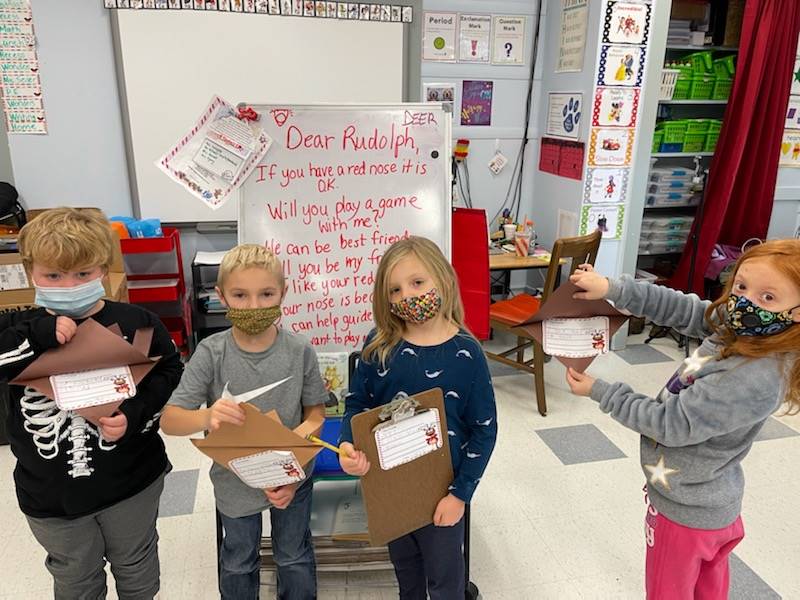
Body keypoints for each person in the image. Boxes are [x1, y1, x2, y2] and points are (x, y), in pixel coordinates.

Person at [565, 239, 800, 599]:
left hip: (685, 514)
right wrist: (612, 289)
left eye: (768, 297)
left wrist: (601, 391)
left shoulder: (753, 376)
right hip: (711, 501)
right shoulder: (745, 329)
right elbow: (685, 310)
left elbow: (668, 425)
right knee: (707, 588)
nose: (745, 301)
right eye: (741, 286)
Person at [0, 207, 183, 599]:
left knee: (137, 566)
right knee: (75, 579)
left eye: (83, 274)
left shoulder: (139, 322)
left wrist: (133, 414)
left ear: (102, 268)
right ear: (31, 271)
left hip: (131, 480)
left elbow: (169, 370)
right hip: (50, 495)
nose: (69, 285)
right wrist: (38, 335)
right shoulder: (14, 331)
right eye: (54, 275)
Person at [160, 244, 328, 600]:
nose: (254, 306)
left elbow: (316, 413)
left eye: (266, 294)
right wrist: (207, 415)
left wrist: (293, 458)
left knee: (294, 555)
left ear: (283, 292)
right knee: (238, 560)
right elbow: (171, 420)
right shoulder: (211, 353)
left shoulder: (300, 351)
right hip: (235, 480)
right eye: (240, 295)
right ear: (220, 296)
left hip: (292, 477)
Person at [338, 236, 497, 599]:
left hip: (443, 492)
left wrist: (460, 495)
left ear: (442, 278)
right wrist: (348, 444)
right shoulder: (378, 347)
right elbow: (357, 405)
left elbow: (484, 431)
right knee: (407, 575)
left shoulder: (467, 353)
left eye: (417, 283)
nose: (406, 296)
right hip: (391, 487)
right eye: (394, 289)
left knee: (445, 581)